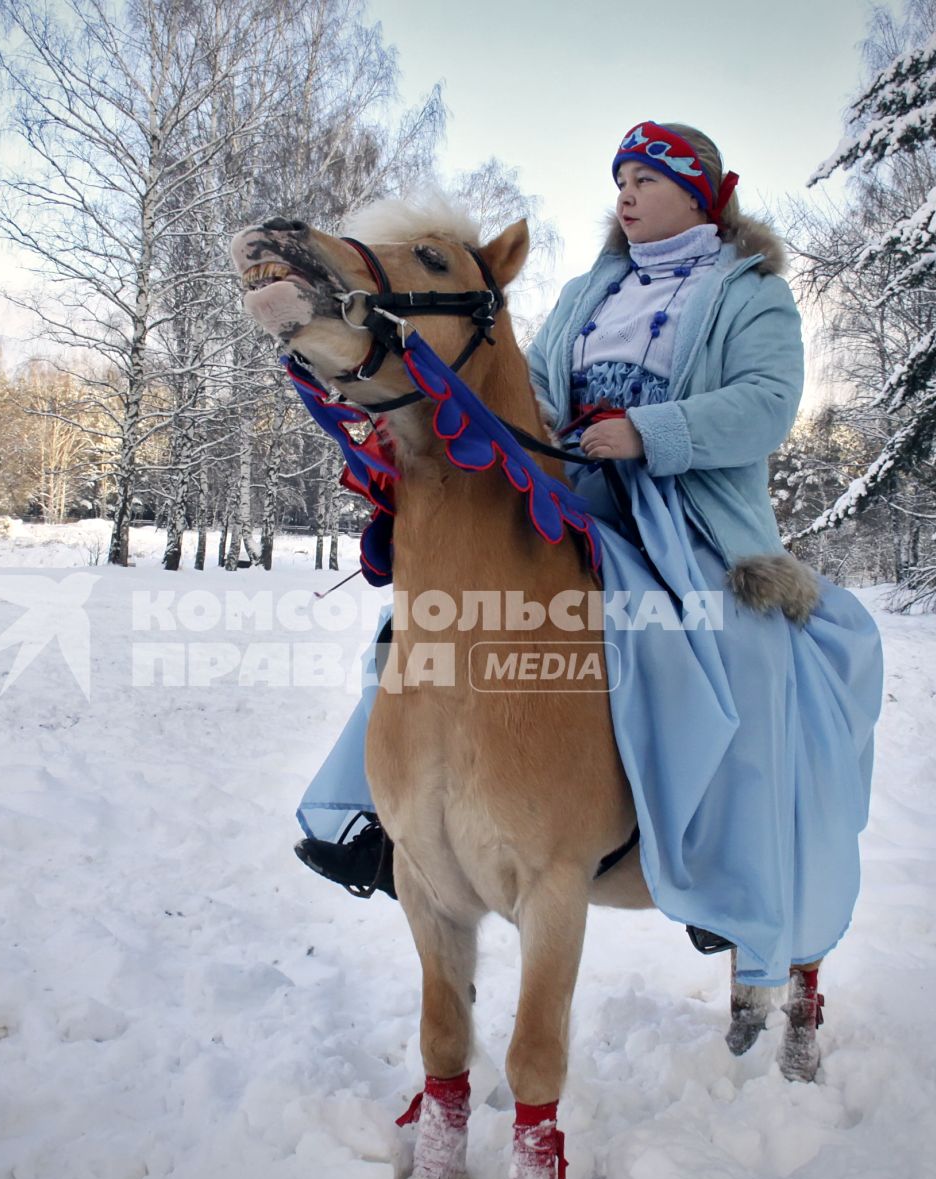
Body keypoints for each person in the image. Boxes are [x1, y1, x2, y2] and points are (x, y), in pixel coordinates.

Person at [293, 121, 883, 986]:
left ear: (699, 194)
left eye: (646, 178)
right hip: (574, 498)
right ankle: (388, 823)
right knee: (424, 621)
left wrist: (649, 432)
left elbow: (764, 405)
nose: (626, 195)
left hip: (692, 519)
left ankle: (733, 866)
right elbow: (531, 388)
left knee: (749, 653)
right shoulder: (590, 288)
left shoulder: (750, 292)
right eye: (621, 179)